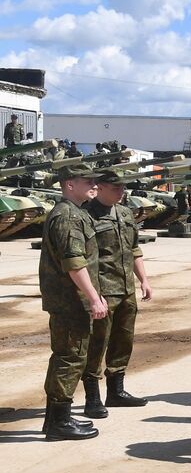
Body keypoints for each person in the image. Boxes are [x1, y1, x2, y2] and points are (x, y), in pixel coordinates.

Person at [38, 163, 107, 440]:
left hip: (70, 300)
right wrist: (93, 297)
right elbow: (74, 262)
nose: (94, 185)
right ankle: (59, 423)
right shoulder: (67, 216)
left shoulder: (74, 213)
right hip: (70, 301)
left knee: (68, 356)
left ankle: (55, 419)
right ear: (69, 184)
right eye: (87, 181)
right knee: (70, 357)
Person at [80, 169, 153, 417]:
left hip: (125, 290)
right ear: (99, 187)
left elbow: (134, 249)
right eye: (116, 188)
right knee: (96, 344)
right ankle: (92, 397)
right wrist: (91, 295)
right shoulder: (86, 215)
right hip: (102, 291)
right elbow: (82, 259)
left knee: (123, 340)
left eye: (123, 188)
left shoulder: (124, 213)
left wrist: (143, 279)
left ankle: (116, 392)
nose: (121, 192)